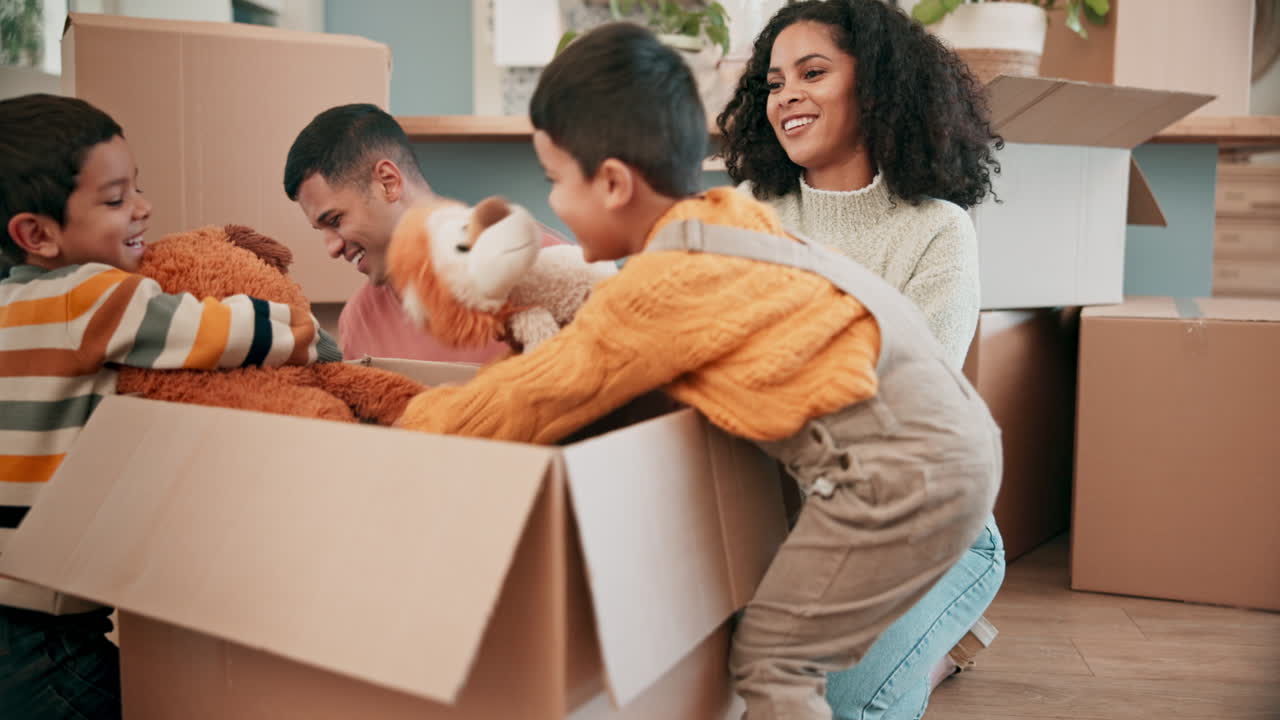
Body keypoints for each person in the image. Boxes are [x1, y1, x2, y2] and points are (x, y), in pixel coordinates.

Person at [394, 23, 1001, 720]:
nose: (551, 205)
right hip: (944, 448)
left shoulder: (656, 290)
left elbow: (529, 397)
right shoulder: (735, 218)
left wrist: (404, 422)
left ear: (615, 183)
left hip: (898, 479)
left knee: (772, 657)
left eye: (554, 182)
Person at [0, 94, 337, 719]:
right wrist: (305, 331)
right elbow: (221, 331)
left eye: (138, 187)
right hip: (45, 636)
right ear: (37, 234)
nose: (143, 208)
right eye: (115, 198)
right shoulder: (92, 297)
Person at [716, 2, 1005, 717]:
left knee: (833, 701)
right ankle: (924, 656)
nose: (787, 95)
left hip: (921, 517)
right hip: (783, 511)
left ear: (875, 88)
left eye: (813, 72)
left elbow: (894, 420)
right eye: (774, 82)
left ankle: (932, 641)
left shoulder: (937, 231)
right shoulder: (747, 211)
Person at [284, 104, 563, 363]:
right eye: (320, 230)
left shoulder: (542, 267)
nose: (331, 248)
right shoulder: (359, 320)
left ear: (388, 182)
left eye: (335, 220)